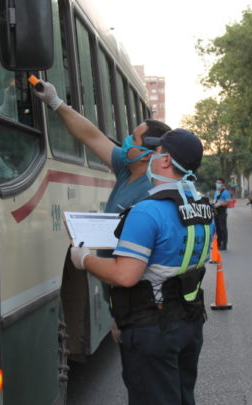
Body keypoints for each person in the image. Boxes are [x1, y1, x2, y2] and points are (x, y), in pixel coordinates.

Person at [69, 129, 214, 404]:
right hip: (189, 323)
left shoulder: (147, 211)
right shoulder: (203, 208)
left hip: (153, 328)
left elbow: (125, 275)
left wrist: (84, 259)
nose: (151, 157)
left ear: (165, 161)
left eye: (156, 152)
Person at [33, 79, 171, 343]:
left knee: (147, 377)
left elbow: (137, 266)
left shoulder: (152, 191)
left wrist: (84, 259)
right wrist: (55, 103)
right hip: (124, 300)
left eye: (133, 137)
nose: (125, 141)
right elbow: (91, 135)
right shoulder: (126, 168)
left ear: (146, 153)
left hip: (142, 303)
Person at [213, 178, 231, 250]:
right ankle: (218, 243)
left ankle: (224, 245)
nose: (218, 184)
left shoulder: (225, 192)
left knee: (223, 229)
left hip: (222, 213)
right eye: (217, 183)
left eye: (219, 183)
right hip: (216, 212)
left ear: (223, 184)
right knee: (217, 229)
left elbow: (227, 202)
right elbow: (215, 200)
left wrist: (220, 204)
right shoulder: (216, 192)